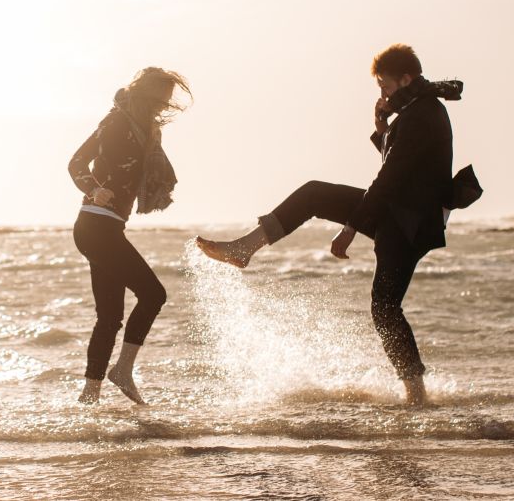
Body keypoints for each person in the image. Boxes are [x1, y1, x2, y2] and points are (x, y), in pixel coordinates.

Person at [196, 44, 459, 405]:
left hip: (408, 223)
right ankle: (246, 248)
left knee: (384, 307)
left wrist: (351, 225)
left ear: (406, 79)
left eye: (384, 85)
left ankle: (416, 394)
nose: (381, 92)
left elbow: (391, 176)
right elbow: (397, 166)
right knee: (314, 195)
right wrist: (381, 128)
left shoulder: (423, 114)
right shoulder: (418, 110)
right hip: (400, 214)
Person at [68, 67, 191, 405]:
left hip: (106, 227)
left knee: (109, 317)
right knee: (154, 295)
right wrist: (94, 190)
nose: (163, 107)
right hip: (95, 224)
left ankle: (89, 395)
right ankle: (122, 371)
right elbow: (76, 163)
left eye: (166, 102)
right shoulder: (116, 122)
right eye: (159, 100)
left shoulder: (146, 130)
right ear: (145, 95)